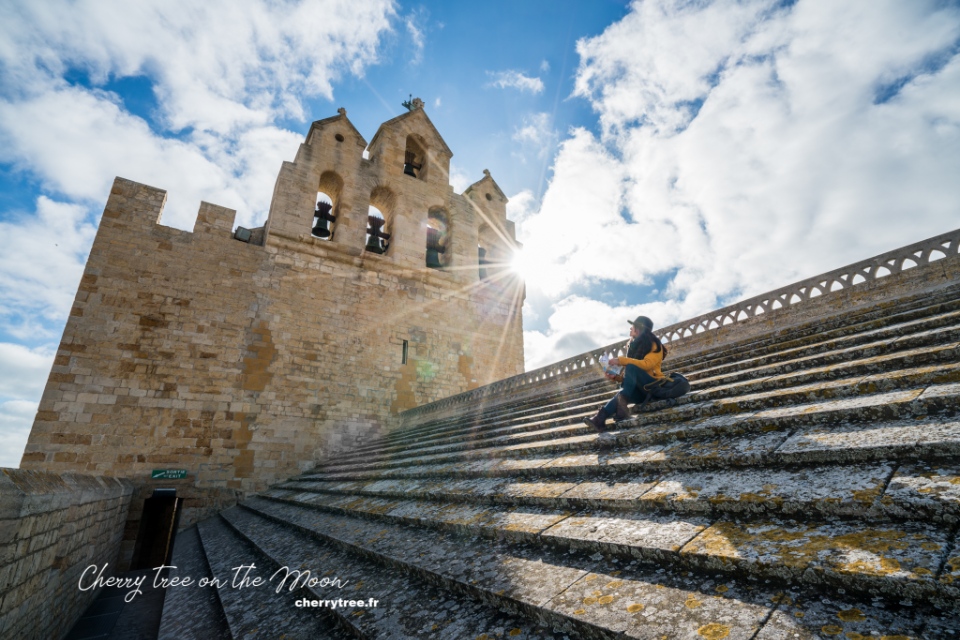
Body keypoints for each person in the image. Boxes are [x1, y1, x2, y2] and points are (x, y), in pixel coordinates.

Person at [583, 315, 668, 432]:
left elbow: (646, 364)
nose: (630, 328)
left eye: (632, 326)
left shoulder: (655, 345)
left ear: (638, 328)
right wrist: (616, 377)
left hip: (652, 386)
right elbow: (629, 380)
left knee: (631, 367)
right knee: (621, 395)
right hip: (640, 392)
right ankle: (599, 419)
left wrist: (621, 360)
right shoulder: (633, 346)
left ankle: (620, 412)